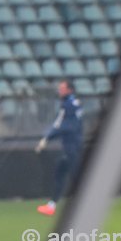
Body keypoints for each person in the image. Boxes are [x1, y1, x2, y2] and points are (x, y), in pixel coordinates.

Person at [35, 79, 84, 216]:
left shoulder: (68, 105)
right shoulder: (74, 103)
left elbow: (62, 125)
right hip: (73, 144)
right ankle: (52, 205)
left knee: (73, 176)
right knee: (60, 172)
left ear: (69, 90)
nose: (59, 90)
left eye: (62, 88)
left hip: (72, 146)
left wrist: (46, 138)